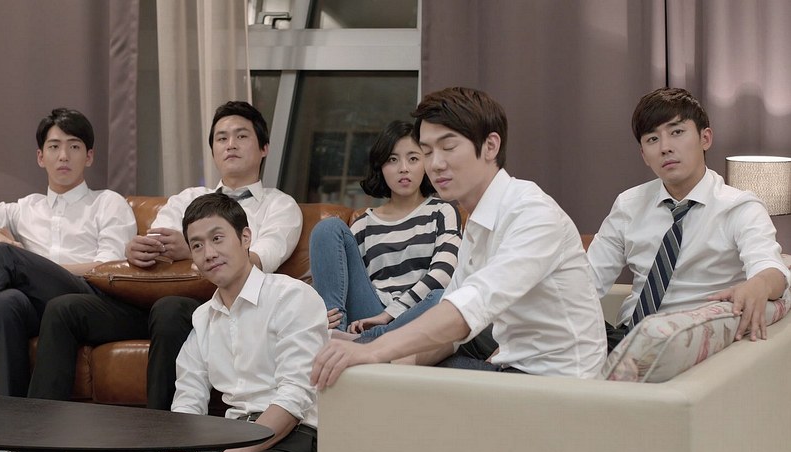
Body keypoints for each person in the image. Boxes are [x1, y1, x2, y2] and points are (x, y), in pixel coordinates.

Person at [12, 101, 301, 452]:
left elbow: (259, 260)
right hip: (146, 300)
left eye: (241, 136)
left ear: (264, 148)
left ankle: (159, 446)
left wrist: (191, 249)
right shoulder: (185, 200)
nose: (230, 144)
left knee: (170, 308)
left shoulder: (280, 206)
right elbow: (157, 248)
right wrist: (135, 250)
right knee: (64, 308)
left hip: (206, 306)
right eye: (221, 138)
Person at [310, 87, 607, 390]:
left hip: (559, 386)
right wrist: (391, 367)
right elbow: (450, 331)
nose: (435, 164)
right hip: (512, 369)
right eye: (427, 152)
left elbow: (468, 308)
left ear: (490, 146)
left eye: (448, 147)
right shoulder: (477, 225)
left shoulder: (532, 213)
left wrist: (372, 350)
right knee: (386, 380)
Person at [0, 108, 136, 452]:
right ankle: (8, 438)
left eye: (74, 146)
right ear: (41, 157)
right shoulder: (25, 208)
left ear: (89, 156)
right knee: (5, 302)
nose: (63, 155)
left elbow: (108, 268)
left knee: (5, 256)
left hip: (89, 300)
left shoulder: (107, 203)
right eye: (54, 147)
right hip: (42, 308)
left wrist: (30, 266)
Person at [97, 192, 326, 452]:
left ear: (245, 238)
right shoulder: (203, 317)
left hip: (292, 439)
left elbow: (294, 399)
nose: (209, 254)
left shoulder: (292, 296)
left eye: (217, 239)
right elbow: (189, 397)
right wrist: (177, 450)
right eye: (197, 245)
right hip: (228, 437)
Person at [586, 87, 790, 351]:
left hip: (684, 343)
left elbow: (772, 271)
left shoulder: (739, 207)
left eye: (677, 132)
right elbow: (587, 280)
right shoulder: (629, 204)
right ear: (644, 155)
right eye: (652, 139)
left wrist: (758, 284)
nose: (665, 148)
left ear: (705, 138)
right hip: (626, 336)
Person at [308, 120, 461, 341]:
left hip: (416, 316)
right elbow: (342, 283)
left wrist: (389, 316)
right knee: (328, 227)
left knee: (442, 298)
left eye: (413, 158)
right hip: (370, 311)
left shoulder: (442, 211)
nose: (403, 168)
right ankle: (336, 333)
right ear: (381, 166)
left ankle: (369, 341)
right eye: (392, 159)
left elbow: (444, 274)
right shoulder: (363, 224)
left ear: (426, 164)